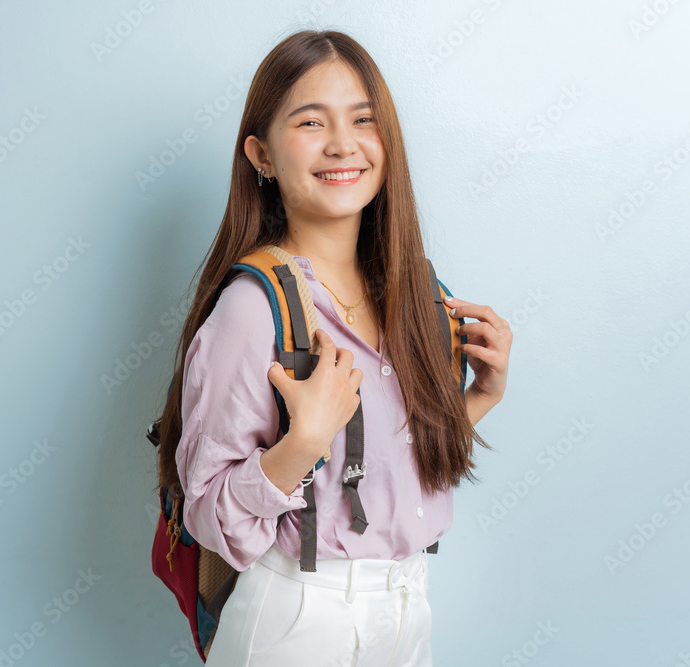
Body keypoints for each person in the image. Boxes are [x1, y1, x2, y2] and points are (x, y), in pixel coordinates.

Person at [154, 29, 512, 666]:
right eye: (311, 121)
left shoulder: (418, 293)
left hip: (407, 609)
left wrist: (477, 400)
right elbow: (209, 519)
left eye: (363, 119)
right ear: (262, 155)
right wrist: (301, 445)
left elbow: (387, 469)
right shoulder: (251, 309)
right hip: (297, 620)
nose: (343, 144)